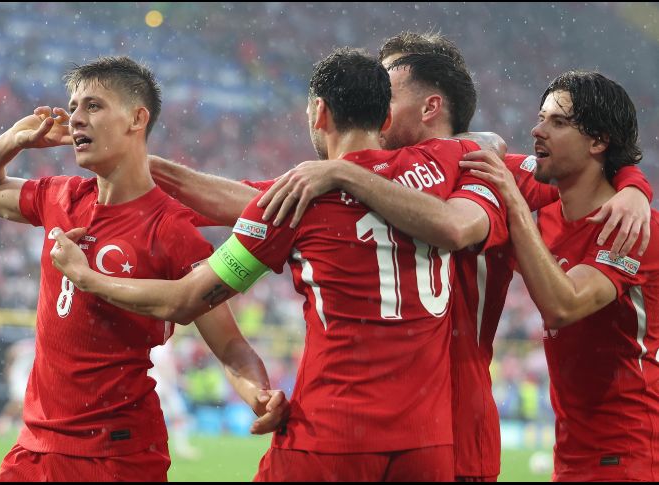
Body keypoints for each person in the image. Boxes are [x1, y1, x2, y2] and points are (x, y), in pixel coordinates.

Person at [50, 47, 509, 482]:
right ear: (385, 117)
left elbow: (184, 300)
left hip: (330, 435)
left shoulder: (294, 204)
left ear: (319, 114)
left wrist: (85, 275)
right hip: (425, 446)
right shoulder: (449, 161)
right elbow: (488, 140)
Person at [253, 32, 653, 482]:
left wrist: (634, 185)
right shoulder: (363, 182)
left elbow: (582, 172)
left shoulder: (485, 172)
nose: (375, 102)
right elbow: (255, 203)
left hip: (462, 431)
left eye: (387, 90)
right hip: (363, 427)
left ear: (430, 105)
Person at [0, 55, 287, 482]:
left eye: (93, 106)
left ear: (136, 119)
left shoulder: (171, 229)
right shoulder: (61, 196)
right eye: (73, 106)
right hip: (35, 448)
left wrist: (259, 394)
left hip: (116, 455)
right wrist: (16, 139)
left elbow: (230, 347)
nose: (75, 118)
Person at [462, 70, 659, 482]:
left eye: (558, 122)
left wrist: (515, 206)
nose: (537, 129)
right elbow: (464, 151)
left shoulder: (635, 228)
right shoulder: (549, 206)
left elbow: (564, 305)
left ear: (598, 141)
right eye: (540, 117)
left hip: (631, 455)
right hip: (571, 454)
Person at [149, 339, 200, 460]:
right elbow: (162, 365)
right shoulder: (163, 342)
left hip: (158, 383)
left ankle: (154, 448)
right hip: (162, 384)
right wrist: (175, 382)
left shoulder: (162, 340)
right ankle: (180, 448)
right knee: (178, 415)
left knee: (161, 417)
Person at [0, 337, 35, 437]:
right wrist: (8, 366)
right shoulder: (26, 344)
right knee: (18, 401)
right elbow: (10, 352)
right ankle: (3, 422)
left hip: (26, 377)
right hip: (17, 376)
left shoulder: (39, 345)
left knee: (22, 403)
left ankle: (15, 424)